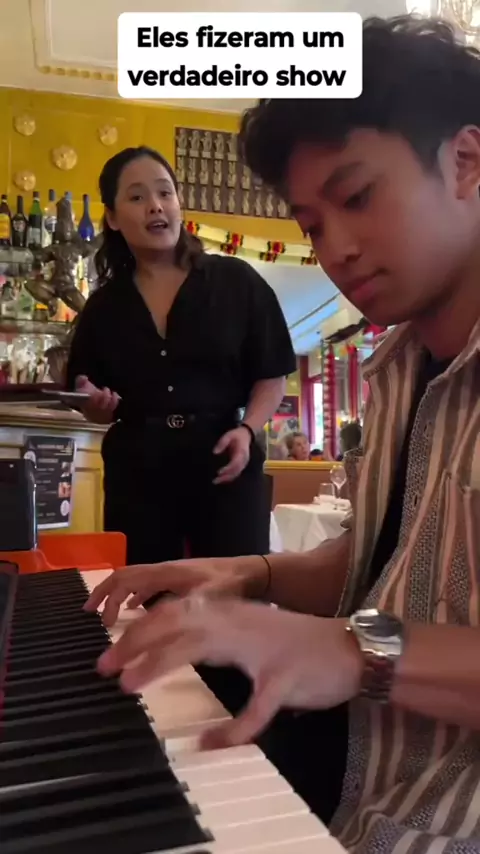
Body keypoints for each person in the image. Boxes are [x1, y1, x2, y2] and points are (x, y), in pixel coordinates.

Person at [87, 16, 480, 854]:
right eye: (311, 225)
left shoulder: (237, 289)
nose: (337, 249)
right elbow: (403, 561)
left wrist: (354, 650)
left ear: (466, 161)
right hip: (344, 769)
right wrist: (247, 572)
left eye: (357, 196)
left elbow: (370, 631)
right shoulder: (399, 367)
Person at [66, 146, 296, 567]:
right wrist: (94, 403)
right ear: (113, 218)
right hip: (138, 471)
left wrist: (247, 430)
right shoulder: (103, 307)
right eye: (137, 197)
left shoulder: (236, 281)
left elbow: (272, 373)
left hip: (225, 458)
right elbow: (87, 394)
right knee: (147, 593)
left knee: (232, 591)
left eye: (164, 192)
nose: (155, 205)